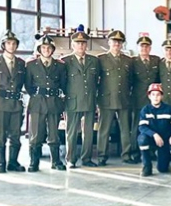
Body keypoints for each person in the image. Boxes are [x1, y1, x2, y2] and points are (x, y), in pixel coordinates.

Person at [0, 30, 27, 173]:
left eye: (14, 43)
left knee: (15, 134)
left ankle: (13, 162)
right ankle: (0, 163)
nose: (11, 46)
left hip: (16, 104)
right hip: (1, 103)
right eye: (8, 43)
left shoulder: (21, 63)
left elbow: (24, 82)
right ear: (3, 45)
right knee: (0, 134)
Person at [25, 34, 67, 172]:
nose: (46, 50)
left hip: (54, 102)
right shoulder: (31, 65)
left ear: (53, 49)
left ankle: (56, 161)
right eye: (43, 47)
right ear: (39, 49)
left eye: (49, 48)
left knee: (54, 134)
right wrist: (37, 94)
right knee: (36, 134)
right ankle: (34, 162)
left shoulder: (60, 66)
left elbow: (63, 84)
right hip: (38, 102)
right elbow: (28, 85)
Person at [64, 29, 101, 168]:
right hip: (72, 101)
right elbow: (62, 82)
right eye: (78, 43)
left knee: (89, 132)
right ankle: (71, 159)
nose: (81, 46)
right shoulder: (66, 61)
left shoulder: (94, 61)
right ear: (72, 45)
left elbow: (97, 80)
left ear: (87, 45)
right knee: (72, 132)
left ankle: (87, 158)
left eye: (83, 43)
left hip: (89, 100)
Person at [97, 30, 133, 166]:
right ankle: (102, 155)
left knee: (125, 129)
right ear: (109, 42)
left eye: (119, 42)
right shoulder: (101, 59)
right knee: (104, 130)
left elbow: (130, 80)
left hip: (123, 98)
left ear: (122, 44)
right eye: (114, 41)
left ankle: (126, 154)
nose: (116, 44)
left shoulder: (128, 60)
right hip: (106, 99)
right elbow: (96, 80)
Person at [129, 35, 160, 164]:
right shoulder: (133, 62)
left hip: (153, 100)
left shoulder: (156, 60)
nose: (144, 48)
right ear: (138, 48)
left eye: (147, 46)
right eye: (142, 46)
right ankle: (135, 152)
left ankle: (151, 151)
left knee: (153, 125)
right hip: (138, 99)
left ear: (150, 48)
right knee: (137, 126)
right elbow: (129, 81)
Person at [137, 83, 171, 176]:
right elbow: (142, 127)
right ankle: (147, 166)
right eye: (153, 94)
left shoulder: (169, 110)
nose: (155, 97)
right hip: (151, 138)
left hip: (164, 140)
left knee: (163, 169)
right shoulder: (145, 110)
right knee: (142, 139)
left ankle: (163, 158)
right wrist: (154, 134)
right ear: (149, 96)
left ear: (162, 96)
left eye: (158, 94)